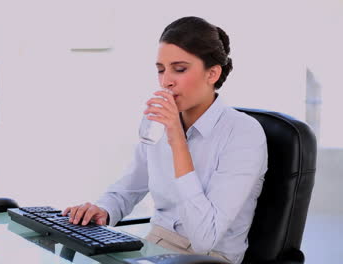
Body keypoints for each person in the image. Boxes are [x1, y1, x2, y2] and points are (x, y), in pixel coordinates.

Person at [63, 16, 267, 264]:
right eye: (161, 69)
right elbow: (131, 184)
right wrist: (103, 209)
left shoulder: (244, 133)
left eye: (179, 69)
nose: (165, 80)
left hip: (209, 259)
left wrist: (177, 141)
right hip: (154, 248)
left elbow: (204, 238)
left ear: (212, 73)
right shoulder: (158, 122)